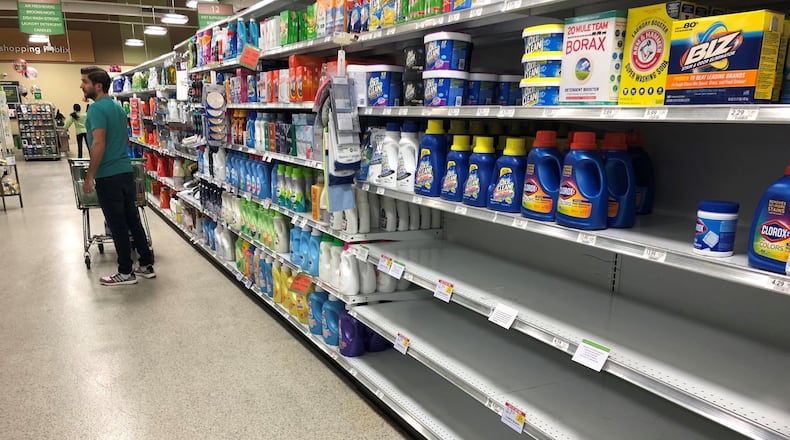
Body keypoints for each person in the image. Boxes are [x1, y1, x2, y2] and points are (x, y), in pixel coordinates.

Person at [80, 66, 155, 285]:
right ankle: (146, 264)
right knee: (133, 219)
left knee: (118, 224)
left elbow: (99, 143)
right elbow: (122, 140)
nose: (82, 86)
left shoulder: (96, 110)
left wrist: (90, 176)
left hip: (108, 176)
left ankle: (125, 272)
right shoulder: (117, 107)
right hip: (124, 171)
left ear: (98, 85)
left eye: (85, 82)